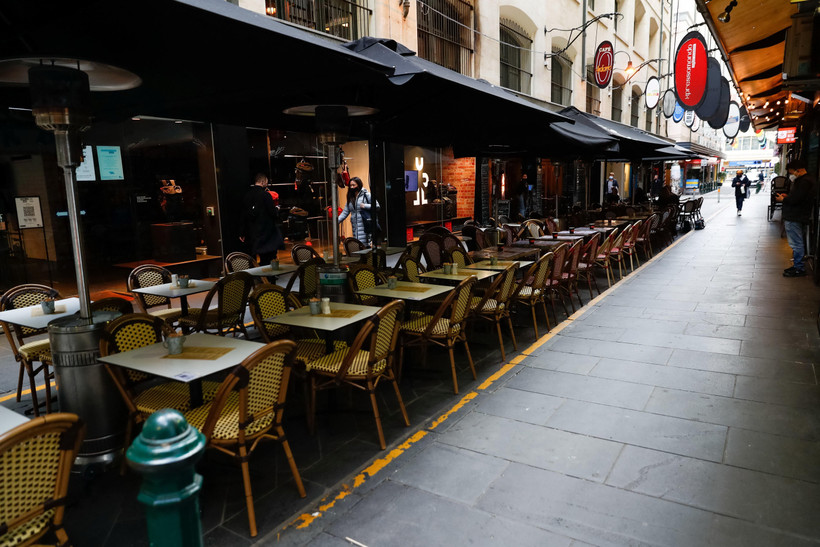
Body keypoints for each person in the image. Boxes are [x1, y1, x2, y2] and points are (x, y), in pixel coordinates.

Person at [776, 160, 816, 277]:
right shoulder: (808, 180)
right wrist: (788, 196)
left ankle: (799, 268)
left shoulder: (804, 182)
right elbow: (797, 197)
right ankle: (797, 266)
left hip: (795, 215)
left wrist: (784, 199)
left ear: (798, 170)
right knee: (798, 242)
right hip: (799, 215)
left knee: (796, 243)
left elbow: (796, 200)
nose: (791, 174)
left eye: (792, 172)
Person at [240, 173, 283, 265]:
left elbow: (244, 215)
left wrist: (242, 232)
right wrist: (277, 209)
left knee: (255, 259)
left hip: (253, 233)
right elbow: (272, 213)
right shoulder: (265, 195)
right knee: (269, 258)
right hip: (266, 232)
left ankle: (260, 276)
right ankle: (269, 278)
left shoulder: (247, 195)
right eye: (266, 182)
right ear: (263, 182)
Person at [338, 176, 374, 247]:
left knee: (365, 247)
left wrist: (365, 206)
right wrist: (336, 221)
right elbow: (345, 212)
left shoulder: (366, 195)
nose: (351, 187)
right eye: (350, 185)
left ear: (359, 185)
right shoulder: (351, 198)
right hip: (355, 228)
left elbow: (376, 206)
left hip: (366, 225)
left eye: (353, 185)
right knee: (358, 247)